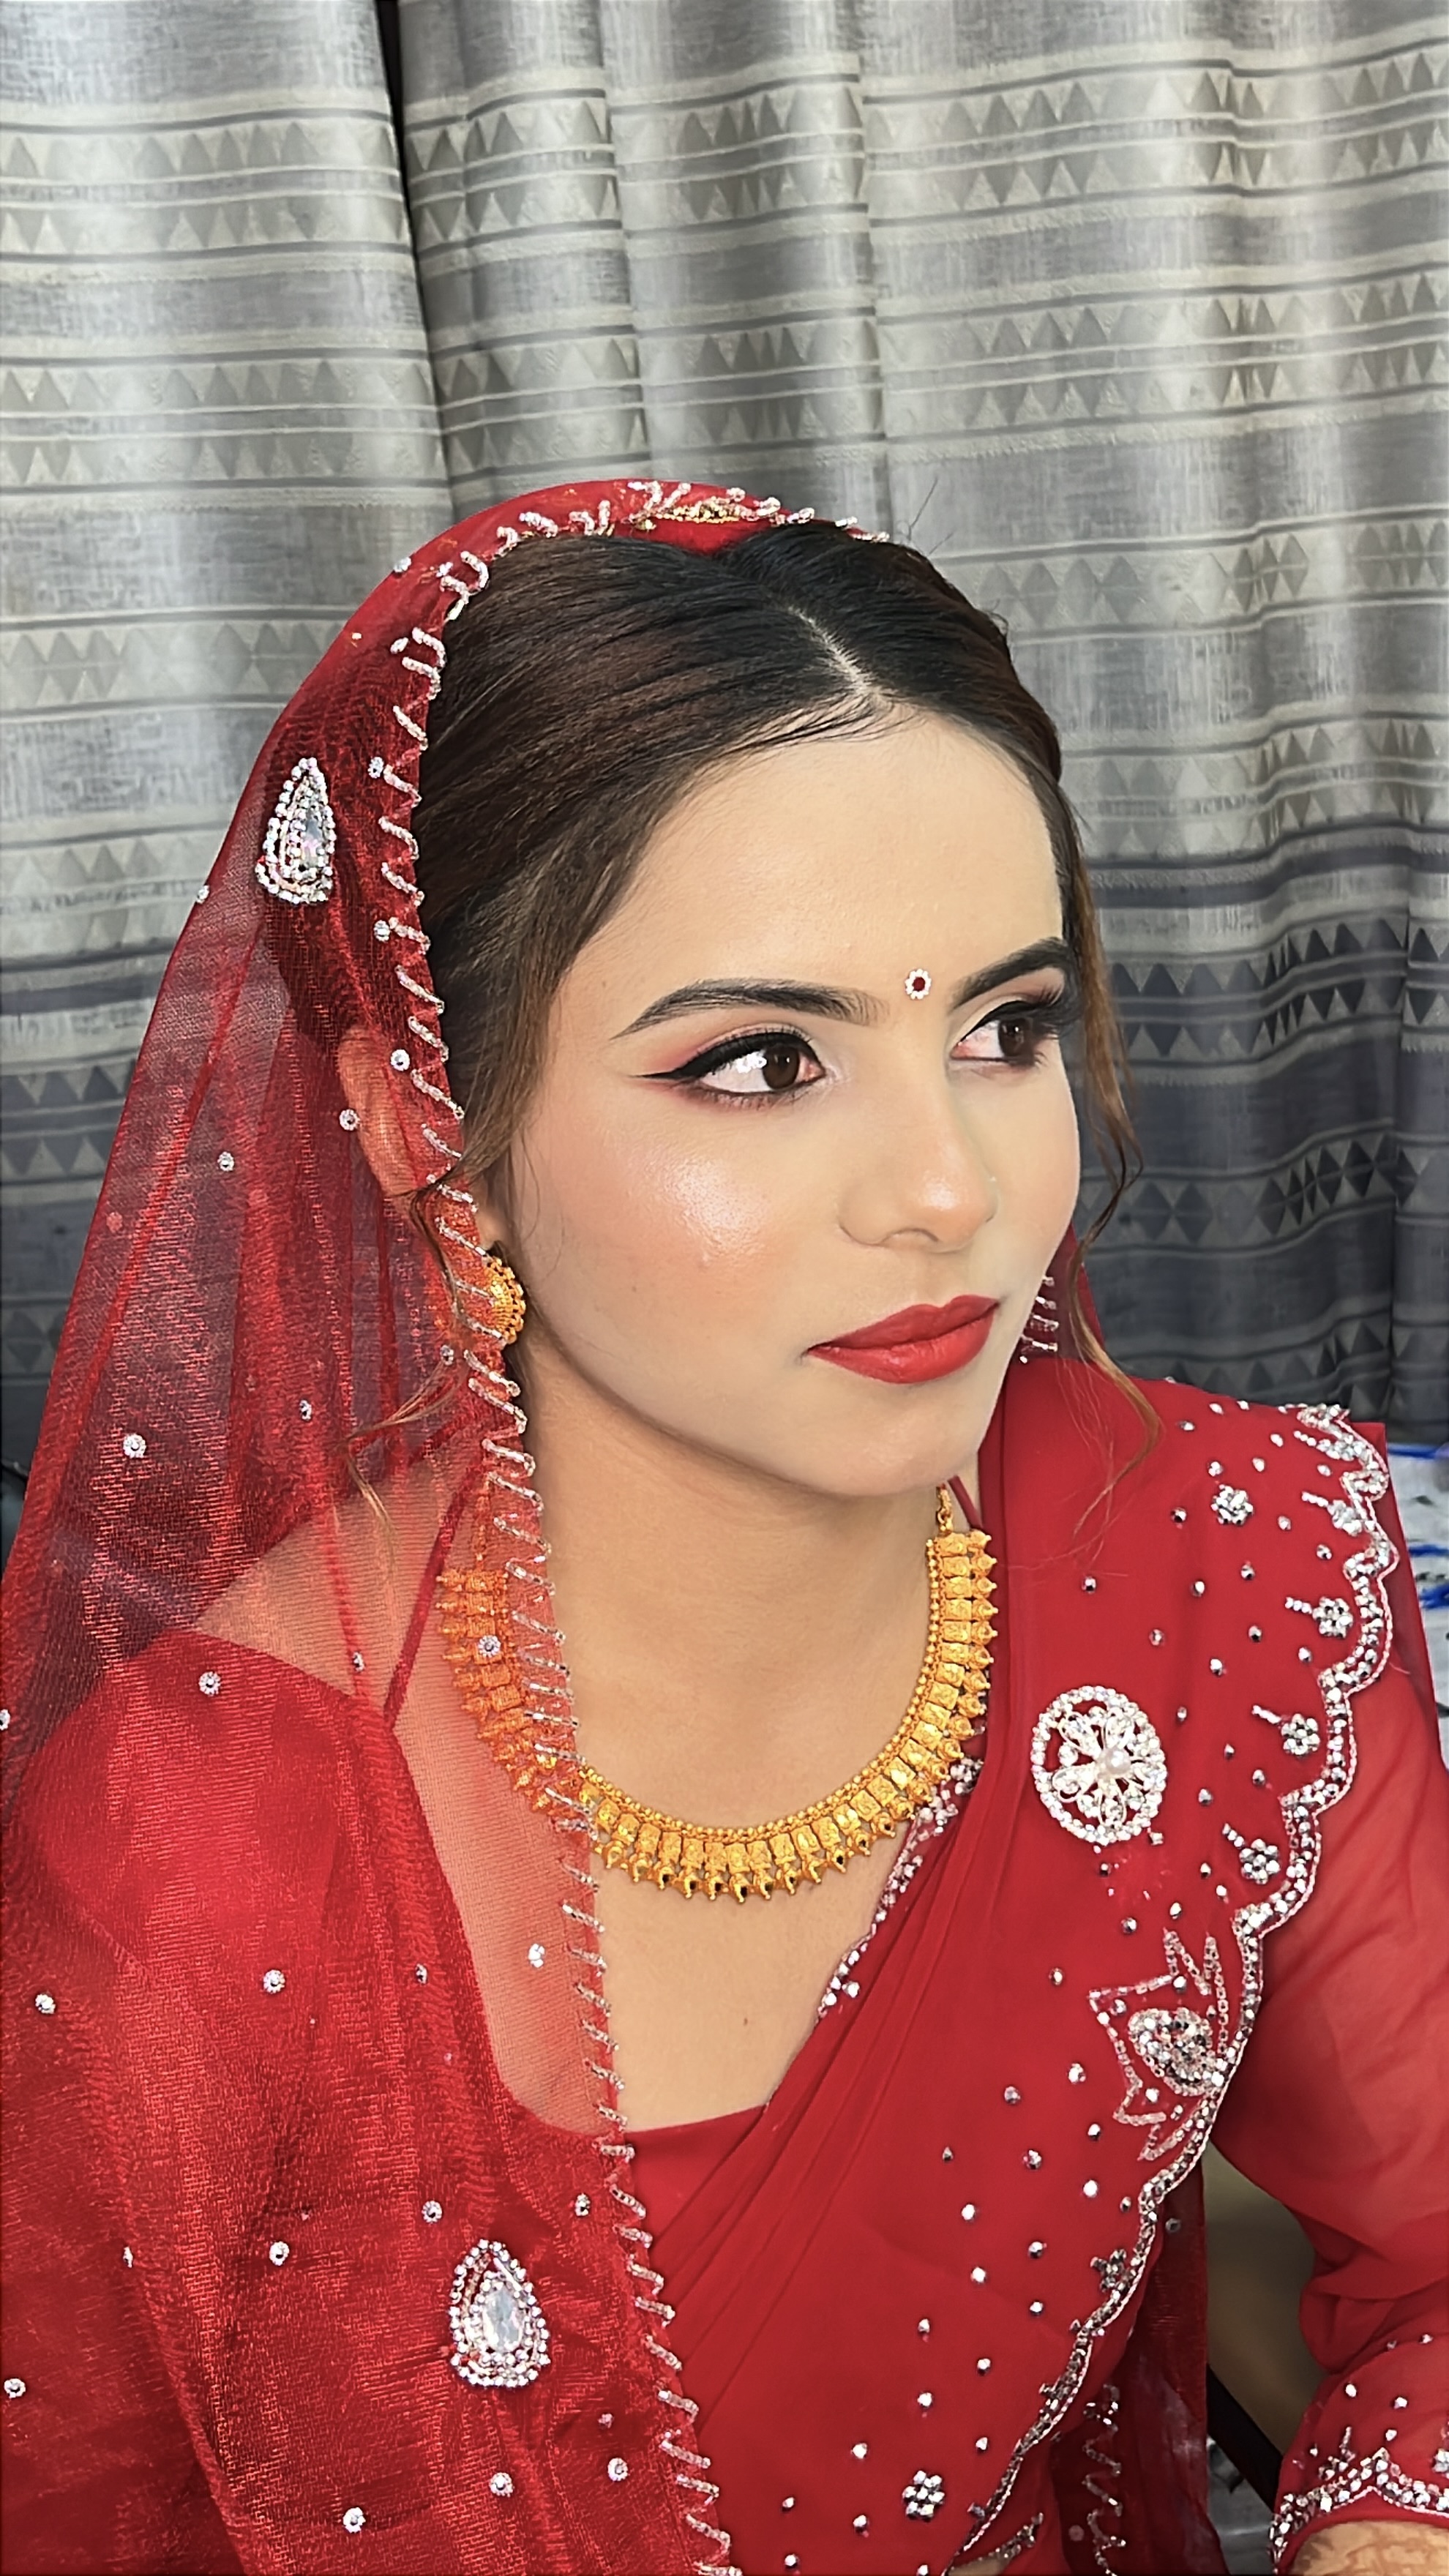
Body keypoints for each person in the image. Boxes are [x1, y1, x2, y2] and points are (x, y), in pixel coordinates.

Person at [1, 479, 1444, 2576]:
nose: (943, 1188)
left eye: (1006, 1030)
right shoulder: (192, 1852)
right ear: (430, 1138)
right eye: (764, 1061)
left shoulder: (1235, 1563)